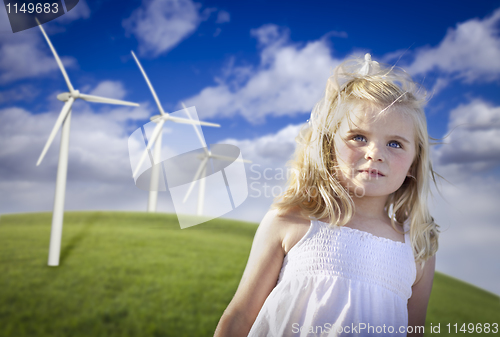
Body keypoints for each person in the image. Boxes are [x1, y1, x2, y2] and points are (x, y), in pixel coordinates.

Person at [214, 54, 439, 337]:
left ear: (414, 162)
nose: (374, 154)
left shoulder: (417, 248)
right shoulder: (291, 220)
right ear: (329, 145)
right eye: (358, 137)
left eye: (395, 143)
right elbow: (240, 315)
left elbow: (413, 331)